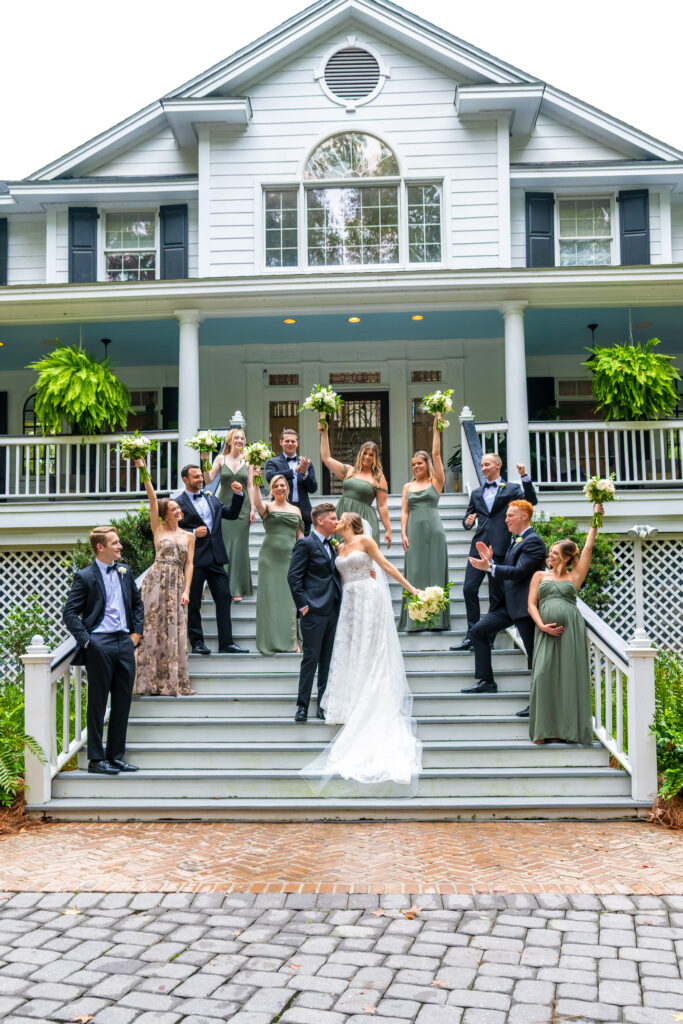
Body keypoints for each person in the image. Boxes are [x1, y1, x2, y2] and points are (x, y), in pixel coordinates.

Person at [299, 511, 422, 787]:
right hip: (348, 603)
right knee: (350, 649)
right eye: (334, 517)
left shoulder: (366, 541)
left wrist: (410, 588)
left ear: (351, 522)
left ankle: (372, 697)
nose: (336, 520)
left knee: (371, 649)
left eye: (340, 517)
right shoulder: (337, 548)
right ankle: (350, 699)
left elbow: (385, 566)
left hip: (369, 596)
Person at [63, 526, 144, 776]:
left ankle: (116, 756)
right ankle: (96, 759)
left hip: (124, 643)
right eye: (115, 543)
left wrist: (136, 635)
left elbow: (137, 604)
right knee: (98, 703)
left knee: (122, 702)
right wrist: (88, 641)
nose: (120, 546)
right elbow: (69, 613)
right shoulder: (85, 576)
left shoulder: (124, 571)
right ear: (101, 547)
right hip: (100, 643)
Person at [527, 507, 604, 745]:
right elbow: (531, 604)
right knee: (542, 675)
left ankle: (569, 731)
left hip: (570, 631)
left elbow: (589, 547)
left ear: (567, 557)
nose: (550, 556)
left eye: (555, 553)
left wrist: (596, 517)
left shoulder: (574, 576)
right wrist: (542, 626)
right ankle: (543, 730)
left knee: (569, 679)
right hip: (544, 631)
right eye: (550, 552)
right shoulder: (540, 576)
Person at [451, 454, 537, 652]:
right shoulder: (476, 493)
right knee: (468, 589)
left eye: (487, 464)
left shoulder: (512, 489)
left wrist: (524, 476)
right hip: (479, 545)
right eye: (481, 465)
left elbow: (531, 501)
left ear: (498, 465)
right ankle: (472, 635)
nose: (483, 468)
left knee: (495, 595)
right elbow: (467, 518)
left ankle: (488, 635)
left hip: (500, 546)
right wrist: (467, 522)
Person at [462, 500, 547, 700]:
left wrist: (490, 568)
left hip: (526, 607)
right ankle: (487, 681)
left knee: (535, 656)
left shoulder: (533, 541)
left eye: (510, 516)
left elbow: (519, 572)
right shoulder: (516, 540)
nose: (505, 519)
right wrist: (491, 562)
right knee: (478, 631)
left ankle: (539, 704)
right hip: (507, 605)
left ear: (524, 516)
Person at [133, 458, 195, 696]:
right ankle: (148, 681)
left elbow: (190, 565)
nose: (178, 510)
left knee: (175, 629)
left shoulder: (189, 536)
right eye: (173, 509)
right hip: (156, 581)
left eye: (178, 508)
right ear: (164, 514)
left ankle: (171, 681)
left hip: (177, 582)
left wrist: (187, 590)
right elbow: (151, 496)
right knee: (151, 628)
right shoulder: (158, 529)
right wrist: (143, 469)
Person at [176, 464, 248, 655]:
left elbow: (231, 514)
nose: (200, 480)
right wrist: (192, 532)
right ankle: (197, 642)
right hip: (195, 560)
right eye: (196, 477)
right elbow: (171, 529)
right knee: (193, 603)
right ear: (185, 479)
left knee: (224, 599)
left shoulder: (212, 499)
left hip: (216, 558)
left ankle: (226, 643)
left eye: (201, 476)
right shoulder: (178, 503)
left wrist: (239, 495)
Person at [287, 503, 342, 722]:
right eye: (333, 518)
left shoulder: (333, 546)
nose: (336, 522)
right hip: (314, 611)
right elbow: (293, 577)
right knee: (310, 659)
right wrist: (304, 606)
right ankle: (302, 706)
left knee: (327, 660)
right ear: (320, 521)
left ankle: (323, 704)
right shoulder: (306, 544)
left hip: (333, 610)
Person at [398, 413, 450, 633]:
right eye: (413, 464)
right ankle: (415, 619)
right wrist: (403, 533)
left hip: (434, 529)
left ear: (426, 464)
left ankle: (436, 620)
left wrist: (437, 427)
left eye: (419, 463)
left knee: (436, 570)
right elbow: (404, 511)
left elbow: (436, 453)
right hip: (414, 530)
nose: (416, 466)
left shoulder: (436, 481)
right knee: (416, 571)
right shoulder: (407, 487)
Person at [202, 427, 255, 601]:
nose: (240, 441)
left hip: (243, 507)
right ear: (230, 440)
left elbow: (250, 486)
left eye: (242, 438)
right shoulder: (220, 458)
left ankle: (238, 588)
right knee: (224, 545)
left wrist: (253, 508)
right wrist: (205, 460)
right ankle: (222, 586)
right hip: (223, 507)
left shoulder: (249, 460)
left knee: (239, 546)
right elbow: (208, 479)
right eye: (237, 438)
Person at [253, 473, 304, 655]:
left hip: (290, 558)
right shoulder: (267, 506)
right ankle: (271, 640)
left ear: (288, 488)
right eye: (276, 486)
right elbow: (258, 504)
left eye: (283, 485)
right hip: (269, 559)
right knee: (271, 600)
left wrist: (305, 557)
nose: (280, 488)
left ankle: (292, 642)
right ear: (272, 489)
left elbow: (300, 537)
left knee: (289, 600)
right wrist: (256, 482)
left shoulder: (296, 510)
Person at [318, 421, 391, 546]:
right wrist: (324, 434)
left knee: (362, 552)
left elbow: (382, 506)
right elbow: (326, 458)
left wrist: (388, 529)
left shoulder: (378, 477)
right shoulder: (349, 471)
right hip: (344, 513)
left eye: (371, 455)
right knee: (341, 549)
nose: (367, 457)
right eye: (365, 453)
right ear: (360, 454)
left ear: (375, 458)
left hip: (363, 518)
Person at [265, 427, 318, 536]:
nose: (290, 443)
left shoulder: (306, 463)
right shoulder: (273, 462)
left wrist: (304, 473)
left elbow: (313, 488)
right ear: (281, 442)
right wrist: (294, 471)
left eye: (293, 441)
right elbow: (270, 477)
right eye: (287, 441)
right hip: (280, 510)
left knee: (302, 547)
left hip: (303, 512)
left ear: (297, 443)